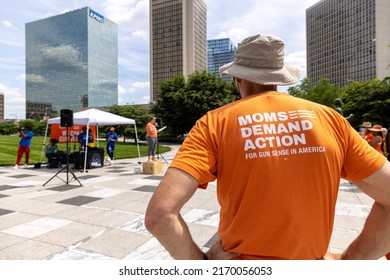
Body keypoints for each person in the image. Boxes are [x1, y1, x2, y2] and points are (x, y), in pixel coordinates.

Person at [145, 34, 390, 260]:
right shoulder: (330, 119)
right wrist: (350, 262)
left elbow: (159, 216)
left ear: (237, 78)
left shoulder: (215, 122)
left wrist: (202, 266)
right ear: (278, 79)